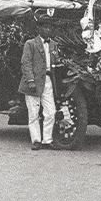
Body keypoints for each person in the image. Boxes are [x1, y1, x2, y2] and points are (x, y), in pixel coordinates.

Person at [18, 14, 58, 150]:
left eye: (49, 27)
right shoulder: (30, 44)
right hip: (34, 81)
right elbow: (26, 63)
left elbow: (55, 62)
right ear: (39, 28)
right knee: (33, 113)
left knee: (51, 111)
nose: (47, 30)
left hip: (47, 81)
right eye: (45, 27)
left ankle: (47, 139)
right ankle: (36, 140)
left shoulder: (53, 45)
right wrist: (30, 80)